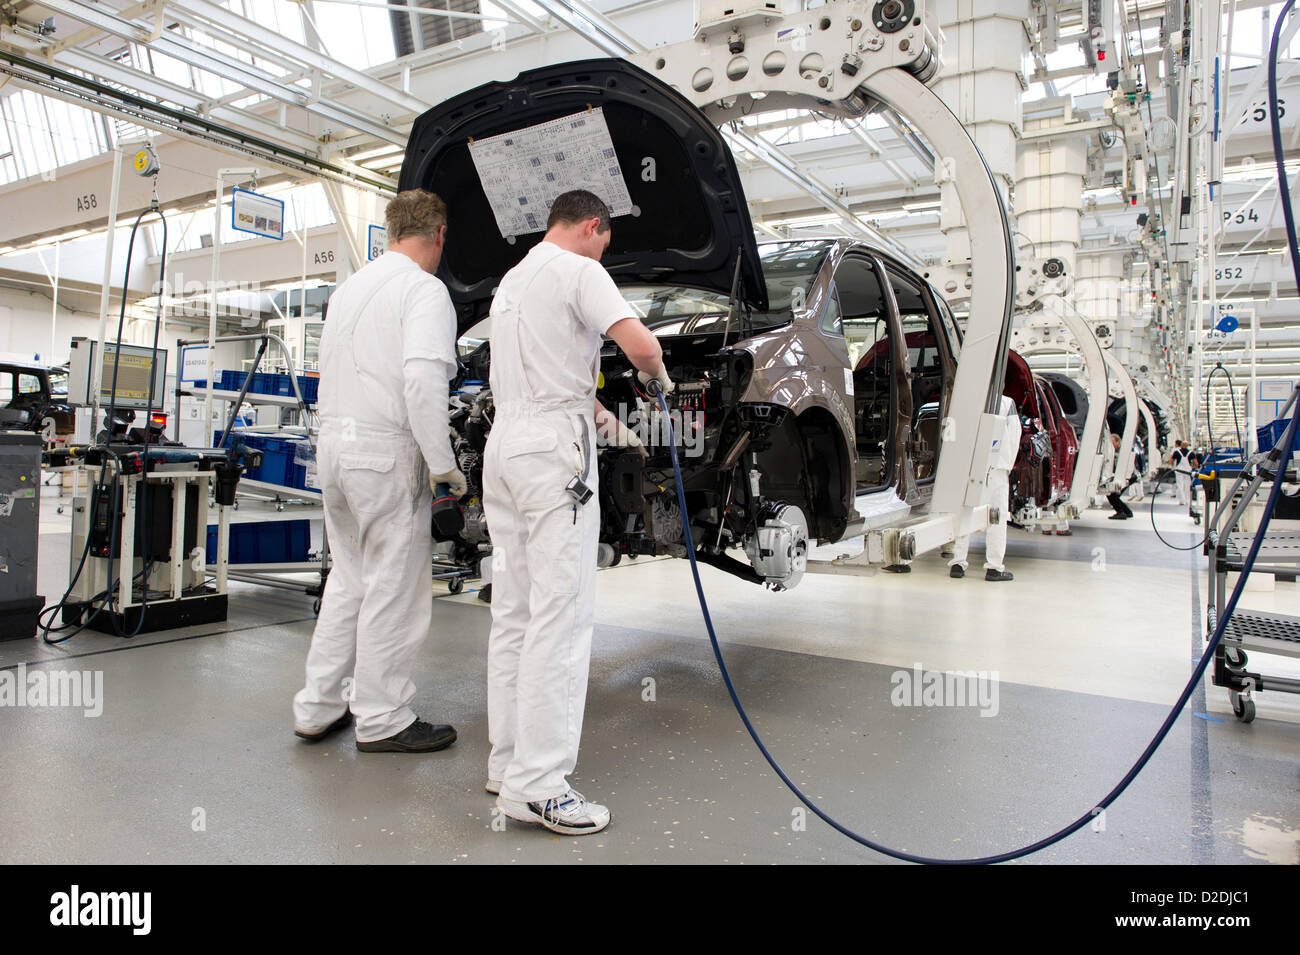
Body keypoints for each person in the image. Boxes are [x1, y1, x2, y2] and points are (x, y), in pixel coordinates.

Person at [483, 189, 669, 836]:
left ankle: (507, 763)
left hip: (505, 449)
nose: (602, 252)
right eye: (605, 241)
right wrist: (658, 377)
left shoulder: (512, 281)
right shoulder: (580, 269)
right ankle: (540, 785)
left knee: (514, 611)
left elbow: (557, 387)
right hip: (551, 457)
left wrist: (624, 434)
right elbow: (639, 344)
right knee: (562, 615)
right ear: (593, 225)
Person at [292, 190, 465, 753]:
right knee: (394, 585)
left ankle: (318, 707)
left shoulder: (349, 289)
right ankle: (383, 718)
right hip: (384, 453)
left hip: (334, 448)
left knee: (349, 578)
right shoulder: (424, 290)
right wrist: (443, 467)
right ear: (439, 235)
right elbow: (421, 382)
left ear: (390, 232)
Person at [949, 394, 1019, 581]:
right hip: (996, 468)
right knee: (996, 517)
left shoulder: (967, 397)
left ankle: (958, 563)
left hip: (968, 467)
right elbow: (1014, 434)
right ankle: (994, 568)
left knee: (965, 513)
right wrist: (1007, 464)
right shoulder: (1006, 402)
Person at [1107, 432, 1135, 519]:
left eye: (1112, 443)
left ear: (1118, 442)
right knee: (1114, 495)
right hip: (1129, 475)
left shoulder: (1121, 452)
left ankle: (1121, 512)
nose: (1111, 445)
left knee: (1112, 495)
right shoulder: (1120, 450)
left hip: (1129, 476)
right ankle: (1127, 512)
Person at [1171, 440, 1192, 505]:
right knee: (1187, 486)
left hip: (1179, 471)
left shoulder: (1176, 452)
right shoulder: (1191, 453)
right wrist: (1193, 467)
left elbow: (1171, 460)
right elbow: (1196, 462)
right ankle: (1187, 500)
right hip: (1188, 472)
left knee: (1180, 485)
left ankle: (1182, 500)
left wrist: (1173, 467)